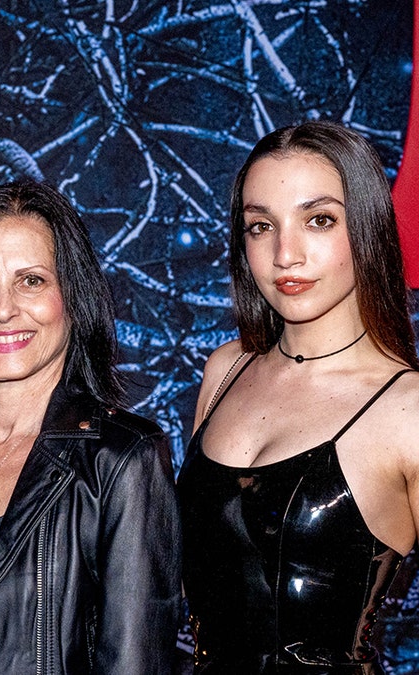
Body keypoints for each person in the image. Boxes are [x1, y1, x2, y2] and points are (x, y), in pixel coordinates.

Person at [178, 120, 419, 672]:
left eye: (319, 220)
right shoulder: (224, 370)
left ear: (366, 228)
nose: (286, 253)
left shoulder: (408, 411)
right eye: (261, 226)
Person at [0, 180, 182, 673]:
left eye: (32, 281)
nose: (2, 310)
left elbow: (135, 662)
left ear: (72, 295)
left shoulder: (121, 461)